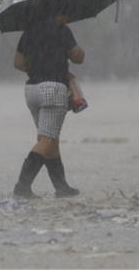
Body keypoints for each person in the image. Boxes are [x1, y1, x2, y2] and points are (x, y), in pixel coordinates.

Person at [12, 11, 85, 199]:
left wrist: (38, 65)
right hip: (53, 89)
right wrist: (78, 52)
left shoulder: (28, 32)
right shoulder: (62, 30)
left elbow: (18, 62)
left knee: (50, 139)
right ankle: (22, 186)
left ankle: (61, 187)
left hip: (32, 90)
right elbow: (78, 56)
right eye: (66, 13)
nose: (68, 17)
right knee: (46, 141)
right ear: (58, 13)